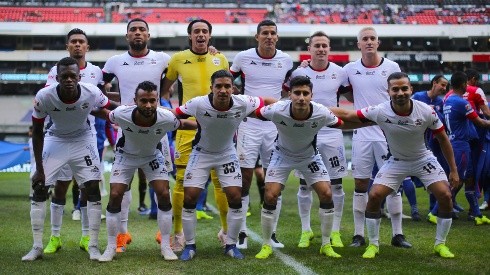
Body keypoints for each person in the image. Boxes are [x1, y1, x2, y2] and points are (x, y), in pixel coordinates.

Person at [331, 72, 460, 259]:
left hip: (423, 159)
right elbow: (349, 115)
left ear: (411, 90)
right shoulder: (380, 110)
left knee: (445, 195)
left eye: (404, 88)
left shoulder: (425, 111)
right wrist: (316, 109)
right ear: (388, 91)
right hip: (396, 161)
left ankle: (440, 245)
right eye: (395, 89)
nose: (400, 92)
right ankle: (373, 245)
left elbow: (443, 139)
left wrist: (454, 170)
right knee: (374, 195)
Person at [22, 56, 118, 261]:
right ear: (57, 78)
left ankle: (92, 244)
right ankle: (37, 246)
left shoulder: (91, 91)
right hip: (55, 139)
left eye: (72, 76)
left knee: (92, 187)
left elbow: (110, 105)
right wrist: (39, 168)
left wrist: (132, 109)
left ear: (79, 76)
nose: (68, 80)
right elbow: (37, 131)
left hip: (83, 139)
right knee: (39, 187)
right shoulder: (44, 96)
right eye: (64, 76)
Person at [174, 70, 275, 261]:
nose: (223, 90)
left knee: (236, 197)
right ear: (211, 88)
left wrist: (286, 109)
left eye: (227, 86)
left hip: (227, 154)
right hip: (201, 153)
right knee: (190, 197)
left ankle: (231, 244)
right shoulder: (198, 103)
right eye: (218, 86)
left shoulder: (244, 102)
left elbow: (267, 102)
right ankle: (190, 245)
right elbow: (175, 114)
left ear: (233, 88)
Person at [255, 75, 355, 260]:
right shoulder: (277, 109)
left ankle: (326, 244)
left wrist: (374, 122)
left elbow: (342, 123)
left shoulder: (322, 112)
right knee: (270, 195)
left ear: (311, 95)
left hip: (309, 157)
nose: (301, 97)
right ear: (289, 94)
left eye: (305, 93)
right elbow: (254, 112)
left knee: (326, 193)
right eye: (297, 93)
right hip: (281, 155)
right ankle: (266, 244)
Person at [98, 81, 196, 262]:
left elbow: (182, 124)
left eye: (152, 100)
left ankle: (166, 246)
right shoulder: (121, 113)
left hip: (152, 156)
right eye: (144, 100)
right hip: (125, 156)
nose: (149, 105)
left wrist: (202, 126)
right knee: (115, 194)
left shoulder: (166, 117)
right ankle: (111, 247)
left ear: (157, 100)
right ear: (135, 100)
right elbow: (104, 114)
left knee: (163, 194)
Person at [102, 18, 173, 253]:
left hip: (156, 127)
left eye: (142, 29)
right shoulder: (115, 62)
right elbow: (101, 89)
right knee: (122, 187)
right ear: (127, 36)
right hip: (127, 127)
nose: (138, 33)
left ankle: (164, 236)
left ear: (149, 35)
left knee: (162, 186)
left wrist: (160, 102)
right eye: (133, 30)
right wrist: (118, 103)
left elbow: (180, 74)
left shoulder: (163, 59)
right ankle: (122, 235)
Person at [160, 19, 230, 252]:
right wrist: (177, 116)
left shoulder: (220, 59)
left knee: (221, 181)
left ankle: (226, 231)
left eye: (205, 31)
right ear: (189, 35)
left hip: (218, 128)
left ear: (210, 35)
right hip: (188, 128)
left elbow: (227, 89)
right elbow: (164, 90)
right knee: (181, 181)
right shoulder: (178, 59)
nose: (200, 35)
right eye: (196, 31)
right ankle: (178, 233)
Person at [343, 26, 411, 248]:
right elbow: (341, 87)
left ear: (378, 42)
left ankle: (397, 234)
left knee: (393, 184)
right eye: (365, 39)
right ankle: (358, 234)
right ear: (359, 44)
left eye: (373, 38)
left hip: (387, 135)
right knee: (361, 184)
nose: (369, 42)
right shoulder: (350, 69)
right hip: (362, 134)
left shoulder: (392, 67)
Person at [42, 28, 108, 255]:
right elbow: (51, 98)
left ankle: (87, 237)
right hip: (59, 134)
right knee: (60, 186)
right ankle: (55, 237)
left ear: (87, 47)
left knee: (89, 186)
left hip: (88, 133)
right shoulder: (55, 71)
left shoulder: (97, 72)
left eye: (81, 42)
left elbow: (102, 101)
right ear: (67, 46)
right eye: (73, 42)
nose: (77, 45)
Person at [230, 19, 294, 249]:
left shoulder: (286, 60)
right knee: (244, 179)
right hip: (249, 125)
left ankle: (271, 234)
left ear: (277, 37)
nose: (269, 36)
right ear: (257, 37)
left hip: (274, 128)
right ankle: (242, 234)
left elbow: (291, 89)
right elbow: (228, 81)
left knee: (274, 180)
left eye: (272, 33)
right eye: (264, 33)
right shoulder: (243, 57)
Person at [286, 31, 350, 249]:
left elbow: (352, 96)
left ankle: (335, 232)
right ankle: (306, 231)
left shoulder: (340, 73)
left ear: (329, 48)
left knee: (337, 185)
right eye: (317, 45)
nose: (321, 49)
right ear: (310, 49)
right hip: (305, 134)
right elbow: (287, 96)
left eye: (325, 45)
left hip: (332, 133)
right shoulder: (298, 72)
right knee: (305, 185)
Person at [442, 71, 490, 225]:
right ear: (464, 84)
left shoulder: (448, 100)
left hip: (457, 143)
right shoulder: (462, 102)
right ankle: (435, 212)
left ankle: (475, 214)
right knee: (458, 181)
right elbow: (481, 123)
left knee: (469, 178)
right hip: (461, 145)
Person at [412, 75, 449, 219]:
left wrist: (434, 111)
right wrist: (425, 109)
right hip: (412, 141)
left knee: (435, 176)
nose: (444, 88)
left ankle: (433, 208)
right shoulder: (418, 96)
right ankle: (383, 207)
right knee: (402, 178)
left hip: (430, 143)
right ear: (434, 83)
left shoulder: (441, 102)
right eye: (442, 84)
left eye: (446, 86)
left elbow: (443, 122)